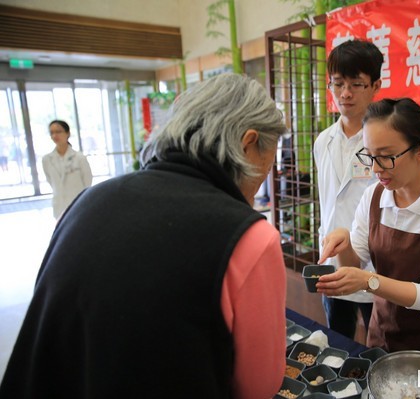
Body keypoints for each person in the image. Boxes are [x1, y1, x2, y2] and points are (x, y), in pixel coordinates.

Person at [0, 74, 289, 398]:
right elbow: (258, 386)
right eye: (269, 160)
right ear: (248, 144)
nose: (266, 174)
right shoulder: (249, 236)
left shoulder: (87, 202)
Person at [316, 98, 420, 366]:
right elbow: (355, 261)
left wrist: (369, 281)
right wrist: (344, 244)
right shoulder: (374, 197)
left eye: (387, 156)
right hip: (381, 333)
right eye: (369, 155)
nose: (376, 168)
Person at [313, 39, 383, 340]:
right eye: (338, 83)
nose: (345, 93)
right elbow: (326, 201)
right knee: (337, 339)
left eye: (356, 84)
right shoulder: (322, 141)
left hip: (372, 264)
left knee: (379, 343)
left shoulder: (384, 142)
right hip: (332, 260)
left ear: (375, 86)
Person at [42, 120, 93, 219]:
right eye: (52, 132)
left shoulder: (79, 158)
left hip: (78, 203)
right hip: (59, 204)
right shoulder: (47, 159)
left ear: (67, 133)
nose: (55, 135)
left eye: (58, 131)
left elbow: (88, 181)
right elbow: (50, 180)